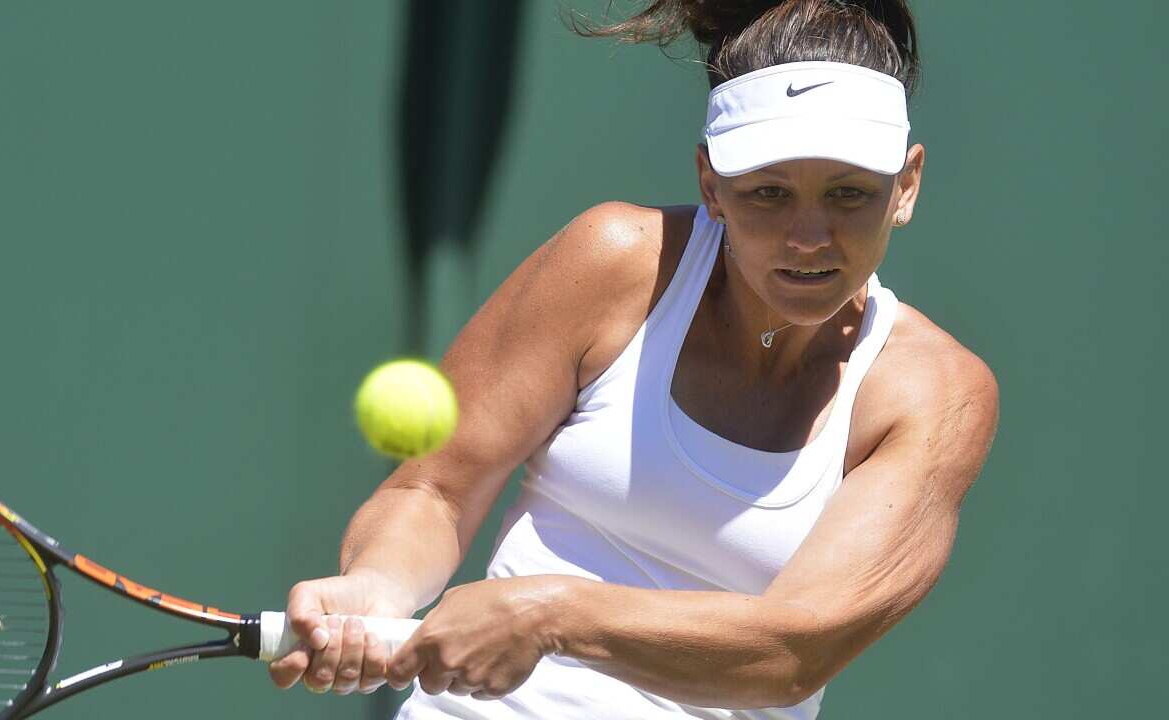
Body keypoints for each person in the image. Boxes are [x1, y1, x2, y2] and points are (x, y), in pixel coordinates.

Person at [269, 0, 999, 717]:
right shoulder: (614, 264)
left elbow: (792, 653)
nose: (810, 235)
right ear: (711, 184)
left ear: (906, 185)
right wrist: (374, 588)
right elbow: (433, 492)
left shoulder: (932, 392)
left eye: (848, 195)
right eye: (768, 194)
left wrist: (549, 615)